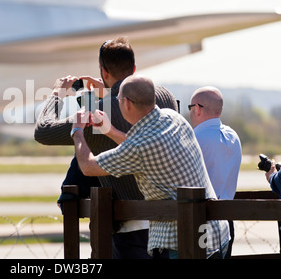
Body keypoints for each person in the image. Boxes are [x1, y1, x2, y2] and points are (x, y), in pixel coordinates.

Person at [34, 37, 178, 259]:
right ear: (134, 68)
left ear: (103, 71)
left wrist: (57, 94)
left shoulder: (99, 117)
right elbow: (132, 108)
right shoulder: (165, 97)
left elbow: (43, 131)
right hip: (172, 223)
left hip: (131, 229)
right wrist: (110, 93)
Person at [71, 75, 230, 258]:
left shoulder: (139, 147)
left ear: (127, 104)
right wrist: (110, 131)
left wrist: (77, 131)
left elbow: (87, 167)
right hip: (217, 234)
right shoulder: (174, 119)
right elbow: (143, 148)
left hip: (180, 245)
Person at [189, 86, 242, 258]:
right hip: (227, 219)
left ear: (197, 108)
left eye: (190, 108)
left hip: (201, 219)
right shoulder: (233, 136)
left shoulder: (194, 138)